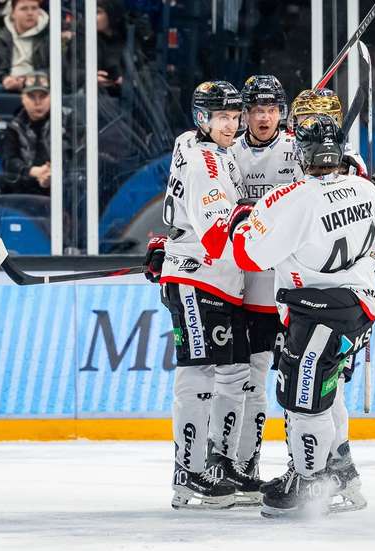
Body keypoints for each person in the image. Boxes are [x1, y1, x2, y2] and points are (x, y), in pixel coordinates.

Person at [228, 115, 375, 518]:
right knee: (327, 390)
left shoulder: (291, 199)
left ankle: (310, 482)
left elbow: (248, 255)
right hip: (358, 307)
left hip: (316, 310)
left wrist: (244, 219)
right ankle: (340, 470)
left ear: (302, 153)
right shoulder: (363, 188)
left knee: (301, 396)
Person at [142, 80, 257, 510]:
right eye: (221, 117)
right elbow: (214, 238)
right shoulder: (206, 165)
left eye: (234, 116)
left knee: (233, 374)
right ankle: (187, 471)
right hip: (199, 277)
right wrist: (256, 216)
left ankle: (220, 464)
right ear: (202, 120)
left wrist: (171, 240)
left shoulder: (190, 142)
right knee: (199, 373)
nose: (231, 125)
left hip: (220, 279)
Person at [229, 74, 298, 484]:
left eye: (271, 109)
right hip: (250, 289)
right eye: (256, 109)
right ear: (244, 114)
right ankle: (245, 464)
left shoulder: (297, 149)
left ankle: (300, 466)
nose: (263, 117)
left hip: (290, 288)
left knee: (292, 383)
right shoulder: (230, 153)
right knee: (252, 383)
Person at [0, 72, 62, 196]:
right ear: (23, 98)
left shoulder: (68, 120)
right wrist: (33, 171)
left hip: (63, 179)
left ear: (52, 97)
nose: (37, 102)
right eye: (32, 96)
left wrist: (54, 172)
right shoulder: (13, 127)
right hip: (30, 179)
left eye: (43, 96)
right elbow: (9, 161)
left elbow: (78, 154)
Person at [0, 0, 48, 94]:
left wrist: (29, 79)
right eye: (24, 9)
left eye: (34, 8)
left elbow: (59, 69)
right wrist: (3, 78)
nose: (30, 13)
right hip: (6, 82)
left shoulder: (49, 35)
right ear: (13, 13)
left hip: (38, 84)